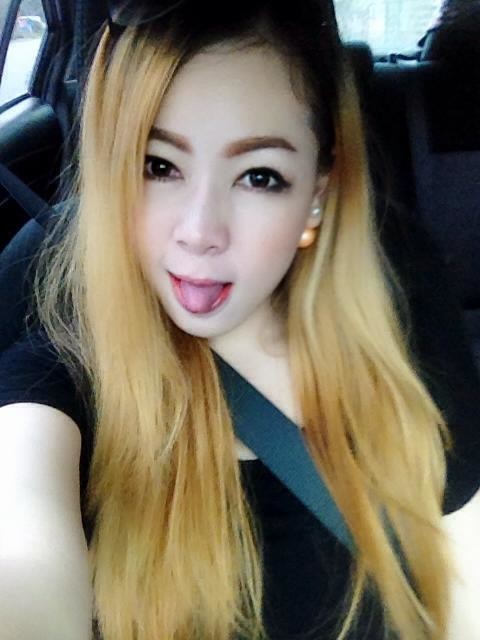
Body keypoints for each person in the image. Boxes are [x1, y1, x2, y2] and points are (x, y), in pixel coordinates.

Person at [1, 1, 480, 639]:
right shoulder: (59, 375)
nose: (201, 231)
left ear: (316, 195)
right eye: (158, 166)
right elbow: (23, 561)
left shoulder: (404, 317)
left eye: (259, 176)